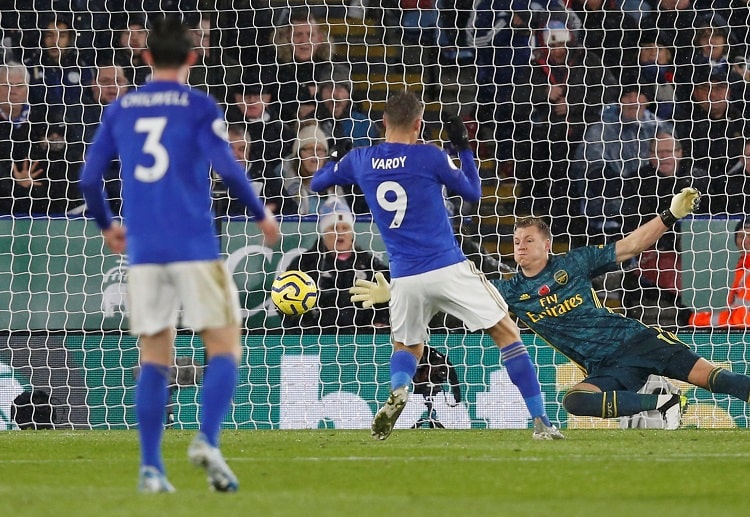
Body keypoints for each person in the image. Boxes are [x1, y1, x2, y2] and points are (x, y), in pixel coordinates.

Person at [78, 16, 280, 494]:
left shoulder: (122, 108)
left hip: (144, 252)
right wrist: (261, 215)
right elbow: (228, 168)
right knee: (226, 344)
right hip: (194, 245)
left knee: (154, 356)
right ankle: (207, 439)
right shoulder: (198, 106)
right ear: (193, 57)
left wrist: (108, 225)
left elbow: (88, 179)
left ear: (145, 58)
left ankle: (151, 468)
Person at [351, 188, 750, 427]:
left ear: (546, 243)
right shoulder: (510, 291)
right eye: (515, 241)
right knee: (575, 401)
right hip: (606, 369)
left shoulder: (575, 262)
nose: (519, 247)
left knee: (714, 378)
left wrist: (670, 215)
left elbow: (629, 245)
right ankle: (662, 404)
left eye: (527, 240)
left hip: (637, 340)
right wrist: (398, 294)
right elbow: (449, 300)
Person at [312, 90, 563, 441]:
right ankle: (541, 422)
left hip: (404, 277)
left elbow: (317, 182)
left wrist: (337, 156)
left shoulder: (360, 159)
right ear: (418, 124)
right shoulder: (429, 156)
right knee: (507, 333)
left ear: (384, 122)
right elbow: (474, 193)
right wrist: (462, 147)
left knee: (407, 347)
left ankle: (400, 389)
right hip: (447, 267)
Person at [282, 197, 390, 332]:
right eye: (333, 228)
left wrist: (381, 321)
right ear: (323, 232)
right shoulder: (305, 264)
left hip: (364, 336)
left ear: (352, 232)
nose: (340, 233)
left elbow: (389, 296)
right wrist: (306, 325)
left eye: (345, 227)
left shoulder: (369, 263)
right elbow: (284, 302)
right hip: (318, 337)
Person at [688, 217, 750, 327]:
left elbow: (742, 321)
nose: (745, 240)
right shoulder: (737, 270)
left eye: (749, 235)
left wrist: (702, 320)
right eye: (741, 236)